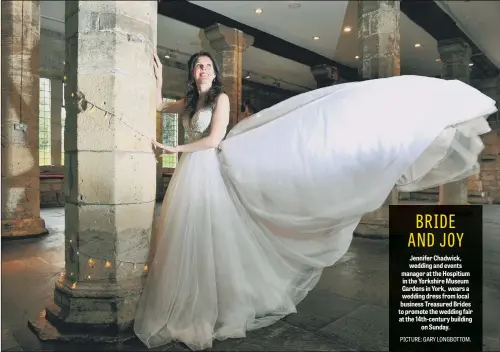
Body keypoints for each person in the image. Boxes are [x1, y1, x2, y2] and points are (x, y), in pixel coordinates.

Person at [134, 50, 497, 350]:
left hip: (207, 170)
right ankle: (182, 300)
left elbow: (213, 140)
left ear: (215, 73)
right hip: (188, 174)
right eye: (197, 65)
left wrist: (175, 148)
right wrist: (154, 74)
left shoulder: (221, 99)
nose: (202, 70)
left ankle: (208, 305)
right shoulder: (189, 101)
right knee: (183, 238)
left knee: (210, 237)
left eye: (207, 65)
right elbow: (157, 106)